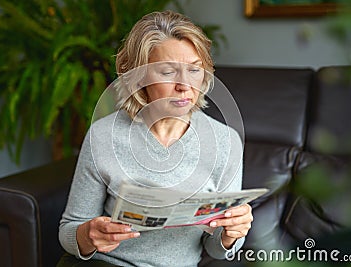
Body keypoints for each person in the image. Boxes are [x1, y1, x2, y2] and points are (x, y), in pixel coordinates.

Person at [58, 10, 253, 267]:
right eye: (167, 72)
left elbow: (216, 250)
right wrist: (88, 235)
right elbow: (69, 231)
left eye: (194, 70)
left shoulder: (225, 141)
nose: (185, 85)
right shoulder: (103, 136)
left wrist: (231, 235)